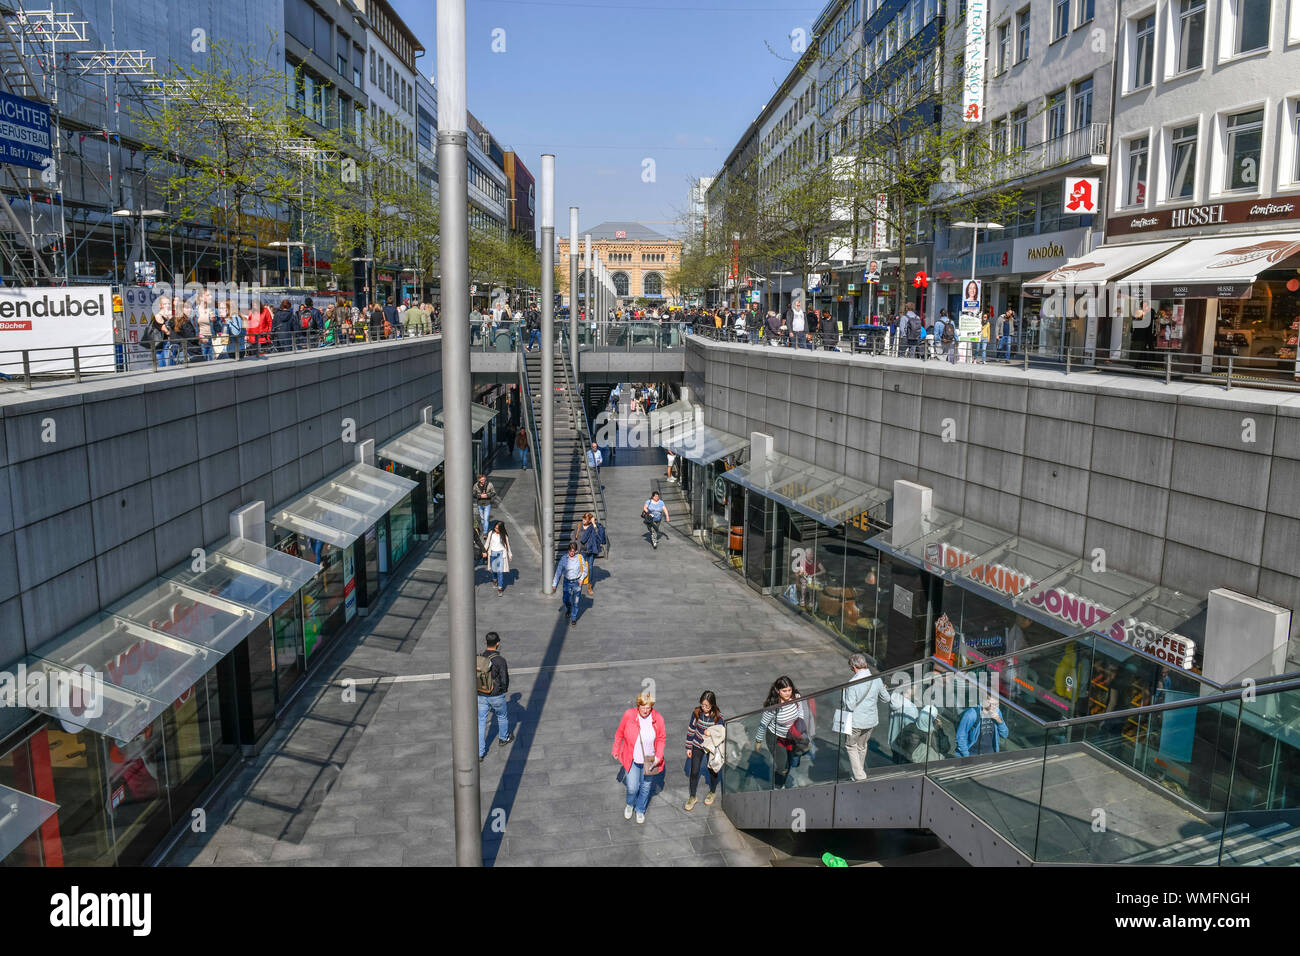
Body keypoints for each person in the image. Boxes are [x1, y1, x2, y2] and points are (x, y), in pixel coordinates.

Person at [612, 691, 667, 825]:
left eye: (648, 708)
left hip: (649, 760)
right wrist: (616, 748)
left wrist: (659, 755)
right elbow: (619, 733)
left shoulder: (658, 718)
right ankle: (630, 804)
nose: (646, 711)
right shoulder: (629, 715)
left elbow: (661, 738)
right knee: (632, 787)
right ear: (638, 705)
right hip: (632, 759)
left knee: (646, 787)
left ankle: (640, 809)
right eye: (643, 707)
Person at [840, 654, 891, 781]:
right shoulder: (877, 679)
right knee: (862, 746)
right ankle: (859, 772)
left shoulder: (852, 683)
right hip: (871, 721)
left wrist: (844, 693)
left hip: (856, 722)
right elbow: (887, 698)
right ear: (865, 665)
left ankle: (859, 776)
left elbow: (850, 706)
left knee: (851, 746)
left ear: (853, 667)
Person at [753, 676, 808, 789]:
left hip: (792, 736)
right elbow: (763, 724)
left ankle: (782, 781)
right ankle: (778, 787)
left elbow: (801, 711)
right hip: (776, 738)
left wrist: (799, 723)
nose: (788, 693)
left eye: (789, 690)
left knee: (791, 762)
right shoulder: (773, 706)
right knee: (783, 766)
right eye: (784, 691)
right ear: (778, 691)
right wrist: (758, 740)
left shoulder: (796, 697)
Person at [684, 691, 725, 810]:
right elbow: (691, 729)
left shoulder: (718, 717)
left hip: (710, 747)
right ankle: (692, 796)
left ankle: (712, 791)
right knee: (694, 771)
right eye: (702, 705)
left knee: (712, 770)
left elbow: (721, 732)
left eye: (707, 706)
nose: (704, 708)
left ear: (712, 705)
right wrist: (688, 747)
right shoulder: (697, 713)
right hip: (697, 745)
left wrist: (710, 732)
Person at [475, 632, 513, 761]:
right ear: (497, 643)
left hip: (481, 694)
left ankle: (480, 753)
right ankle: (503, 738)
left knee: (481, 721)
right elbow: (504, 679)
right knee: (502, 716)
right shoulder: (500, 660)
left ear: (486, 642)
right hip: (496, 695)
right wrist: (504, 690)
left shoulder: (479, 658)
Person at [552, 540, 588, 627]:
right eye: (570, 551)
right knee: (565, 599)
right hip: (567, 582)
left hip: (577, 582)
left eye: (573, 551)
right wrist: (554, 583)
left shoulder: (579, 557)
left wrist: (581, 579)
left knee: (576, 602)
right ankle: (568, 608)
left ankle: (573, 618)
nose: (571, 553)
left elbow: (585, 570)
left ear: (575, 551)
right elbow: (558, 571)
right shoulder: (564, 559)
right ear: (568, 550)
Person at [577, 511, 606, 597]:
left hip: (591, 551)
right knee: (580, 566)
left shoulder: (594, 527)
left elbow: (600, 537)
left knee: (590, 568)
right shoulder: (579, 525)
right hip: (582, 550)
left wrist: (594, 524)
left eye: (585, 519)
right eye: (583, 518)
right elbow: (575, 536)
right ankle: (579, 582)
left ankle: (589, 587)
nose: (583, 520)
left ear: (589, 520)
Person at [483, 520, 513, 595]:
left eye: (497, 529)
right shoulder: (491, 533)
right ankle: (494, 579)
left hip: (501, 554)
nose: (496, 530)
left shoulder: (504, 536)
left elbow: (507, 546)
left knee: (500, 571)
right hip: (492, 553)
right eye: (495, 528)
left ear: (501, 529)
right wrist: (484, 551)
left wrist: (510, 554)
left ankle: (500, 588)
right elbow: (487, 543)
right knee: (494, 570)